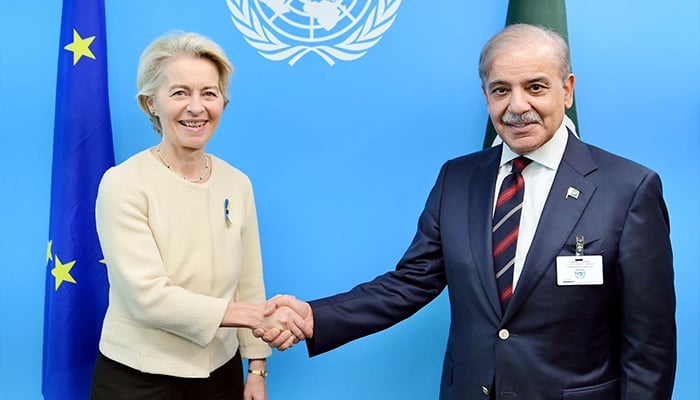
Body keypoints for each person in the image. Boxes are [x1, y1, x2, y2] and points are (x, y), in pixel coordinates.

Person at [257, 24, 677, 399]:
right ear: (486, 96)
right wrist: (315, 316)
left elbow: (650, 343)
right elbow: (409, 283)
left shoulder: (628, 188)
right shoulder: (457, 179)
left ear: (566, 90)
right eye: (501, 90)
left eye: (535, 87)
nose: (517, 106)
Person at [90, 31, 309, 400]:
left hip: (220, 374)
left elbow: (249, 282)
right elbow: (148, 298)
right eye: (179, 93)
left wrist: (257, 367)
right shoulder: (123, 183)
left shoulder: (237, 183)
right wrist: (256, 316)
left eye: (209, 93)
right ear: (150, 104)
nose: (197, 107)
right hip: (138, 379)